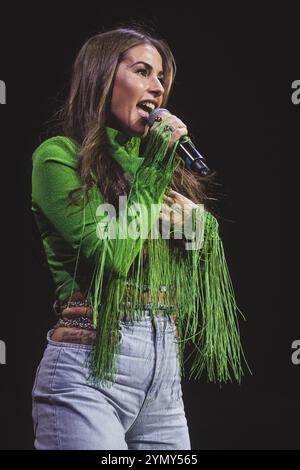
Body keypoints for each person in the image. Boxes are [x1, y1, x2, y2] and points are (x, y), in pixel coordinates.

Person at [31, 26, 245, 450]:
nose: (158, 87)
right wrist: (152, 178)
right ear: (102, 77)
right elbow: (111, 257)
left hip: (162, 381)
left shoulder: (157, 168)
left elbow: (195, 280)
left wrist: (202, 229)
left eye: (162, 77)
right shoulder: (58, 157)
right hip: (88, 370)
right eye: (143, 71)